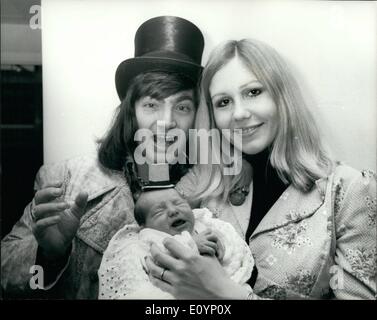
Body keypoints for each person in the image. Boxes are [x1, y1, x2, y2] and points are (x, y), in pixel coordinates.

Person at [145, 39, 377, 300]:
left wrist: (224, 292)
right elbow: (146, 246)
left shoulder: (349, 190)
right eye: (223, 102)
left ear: (282, 95)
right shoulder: (202, 183)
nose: (239, 113)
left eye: (253, 92)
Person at [1, 16, 205, 299]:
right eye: (151, 104)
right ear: (130, 111)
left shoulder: (214, 189)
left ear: (196, 115)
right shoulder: (66, 178)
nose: (166, 122)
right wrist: (48, 256)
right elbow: (4, 269)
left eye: (182, 107)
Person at [97, 188, 253, 299]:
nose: (173, 211)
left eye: (179, 204)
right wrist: (191, 244)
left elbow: (226, 242)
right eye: (159, 211)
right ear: (144, 226)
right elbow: (155, 260)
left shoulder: (204, 223)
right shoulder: (148, 237)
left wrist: (220, 245)